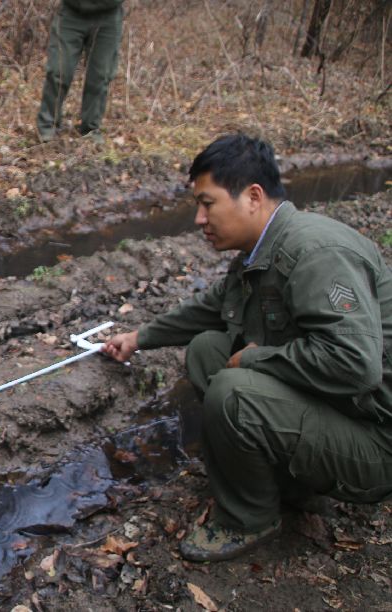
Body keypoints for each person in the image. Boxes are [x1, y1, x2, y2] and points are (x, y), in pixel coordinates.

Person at [103, 134, 392, 562]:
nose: (200, 219)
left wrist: (256, 358)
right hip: (340, 410)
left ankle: (249, 519)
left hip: (374, 442)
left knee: (235, 391)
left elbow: (356, 365)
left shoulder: (315, 253)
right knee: (207, 350)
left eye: (208, 203)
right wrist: (139, 337)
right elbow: (211, 307)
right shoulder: (263, 251)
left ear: (253, 196)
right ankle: (285, 485)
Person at [36, 0, 124, 143]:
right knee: (59, 70)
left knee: (100, 76)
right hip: (71, 12)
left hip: (109, 15)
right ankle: (47, 126)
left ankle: (91, 130)